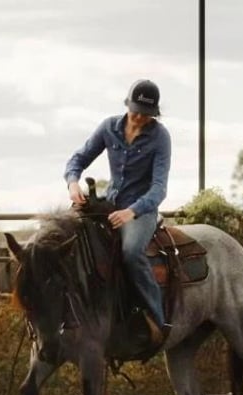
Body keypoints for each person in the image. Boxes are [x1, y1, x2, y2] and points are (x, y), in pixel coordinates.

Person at [64, 79, 172, 346]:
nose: (139, 118)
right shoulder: (108, 127)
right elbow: (78, 159)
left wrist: (131, 212)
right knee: (69, 238)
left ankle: (158, 318)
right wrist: (73, 182)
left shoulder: (160, 137)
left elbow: (159, 188)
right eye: (136, 111)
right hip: (109, 203)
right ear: (127, 105)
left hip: (142, 209)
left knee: (131, 251)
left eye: (146, 114)